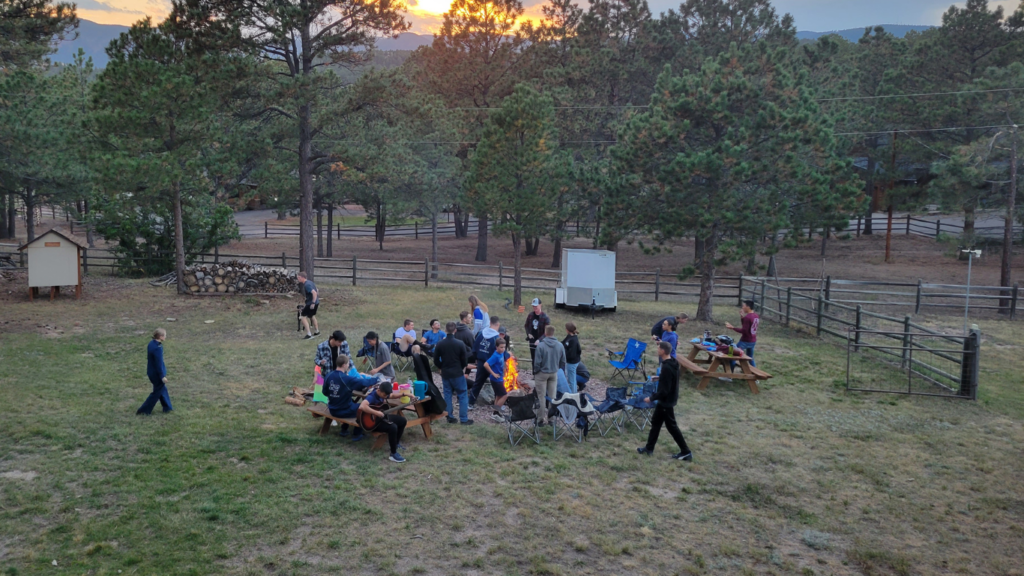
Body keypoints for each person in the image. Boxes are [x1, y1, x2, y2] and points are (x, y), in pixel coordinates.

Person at [637, 341, 692, 461]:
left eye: (658, 348)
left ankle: (686, 451)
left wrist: (651, 398)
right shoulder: (673, 362)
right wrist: (659, 378)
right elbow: (670, 378)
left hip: (665, 402)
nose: (657, 350)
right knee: (656, 423)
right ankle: (649, 448)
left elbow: (664, 391)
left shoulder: (666, 366)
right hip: (669, 400)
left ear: (663, 351)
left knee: (671, 426)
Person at [323, 354, 376, 441]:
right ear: (344, 364)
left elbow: (325, 392)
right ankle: (357, 434)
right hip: (343, 410)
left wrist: (336, 395)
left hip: (332, 408)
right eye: (348, 364)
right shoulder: (346, 378)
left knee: (350, 401)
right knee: (364, 408)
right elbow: (363, 382)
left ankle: (344, 430)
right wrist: (376, 379)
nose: (348, 365)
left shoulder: (328, 375)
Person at [434, 321, 474, 425]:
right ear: (455, 330)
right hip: (457, 373)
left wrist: (441, 366)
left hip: (446, 373)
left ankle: (450, 417)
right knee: (462, 395)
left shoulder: (440, 343)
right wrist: (460, 368)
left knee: (447, 394)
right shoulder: (460, 344)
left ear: (445, 330)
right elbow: (464, 360)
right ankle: (464, 419)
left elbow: (435, 360)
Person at [359, 382, 409, 463]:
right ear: (379, 390)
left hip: (380, 418)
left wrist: (405, 394)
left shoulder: (383, 393)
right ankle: (393, 454)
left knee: (402, 420)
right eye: (384, 395)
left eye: (386, 396)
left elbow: (392, 395)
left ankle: (396, 443)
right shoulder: (372, 396)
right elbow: (362, 406)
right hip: (372, 422)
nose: (385, 397)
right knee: (393, 427)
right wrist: (376, 413)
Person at [533, 324, 565, 425]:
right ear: (553, 333)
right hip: (553, 373)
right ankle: (551, 419)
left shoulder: (541, 346)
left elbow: (537, 362)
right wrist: (557, 367)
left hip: (542, 373)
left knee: (541, 396)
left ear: (545, 333)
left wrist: (536, 371)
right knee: (552, 396)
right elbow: (563, 360)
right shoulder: (560, 345)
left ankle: (540, 420)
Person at [137, 328, 173, 414]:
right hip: (157, 375)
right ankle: (143, 411)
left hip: (151, 372)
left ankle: (167, 407)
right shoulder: (158, 348)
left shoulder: (151, 343)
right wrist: (162, 376)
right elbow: (159, 363)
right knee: (156, 393)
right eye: (164, 335)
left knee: (162, 389)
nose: (165, 337)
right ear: (160, 336)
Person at [469, 316, 502, 406]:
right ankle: (497, 405)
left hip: (481, 362)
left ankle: (471, 403)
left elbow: (474, 348)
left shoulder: (480, 334)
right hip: (493, 365)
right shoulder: (496, 338)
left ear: (490, 323)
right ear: (498, 324)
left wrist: (477, 359)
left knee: (478, 383)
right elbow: (499, 353)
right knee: (496, 384)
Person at [483, 339, 513, 421]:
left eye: (504, 347)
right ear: (496, 347)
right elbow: (486, 365)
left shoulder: (502, 353)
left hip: (500, 378)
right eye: (501, 347)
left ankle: (496, 412)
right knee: (505, 395)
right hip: (496, 380)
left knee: (498, 395)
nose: (503, 349)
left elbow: (507, 354)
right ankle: (495, 413)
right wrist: (493, 374)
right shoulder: (495, 356)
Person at [726, 300, 760, 367]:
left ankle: (729, 375)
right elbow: (746, 326)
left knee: (732, 354)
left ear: (748, 307)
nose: (742, 307)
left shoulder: (748, 317)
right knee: (750, 358)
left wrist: (732, 328)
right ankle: (755, 373)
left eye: (743, 306)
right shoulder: (756, 316)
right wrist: (742, 317)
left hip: (745, 341)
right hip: (753, 341)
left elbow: (744, 330)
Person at [524, 298, 550, 373]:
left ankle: (541, 373)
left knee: (541, 358)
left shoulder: (545, 317)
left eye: (536, 306)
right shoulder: (530, 315)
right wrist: (528, 333)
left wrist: (540, 340)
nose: (535, 308)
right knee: (533, 357)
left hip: (541, 341)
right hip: (532, 339)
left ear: (540, 305)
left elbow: (547, 331)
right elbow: (526, 325)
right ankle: (534, 373)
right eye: (533, 306)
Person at [296, 271, 320, 339]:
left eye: (299, 277)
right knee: (311, 316)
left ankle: (309, 335)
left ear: (302, 277)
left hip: (311, 303)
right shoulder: (310, 282)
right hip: (316, 302)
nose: (298, 279)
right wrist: (316, 300)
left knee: (303, 317)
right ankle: (317, 332)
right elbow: (317, 290)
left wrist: (312, 302)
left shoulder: (307, 285)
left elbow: (314, 293)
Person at [561, 322, 582, 393]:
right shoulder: (569, 336)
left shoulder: (573, 340)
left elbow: (572, 354)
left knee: (571, 380)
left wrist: (563, 356)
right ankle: (572, 392)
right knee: (570, 378)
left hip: (572, 362)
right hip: (569, 362)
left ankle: (573, 395)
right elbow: (563, 343)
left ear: (568, 329)